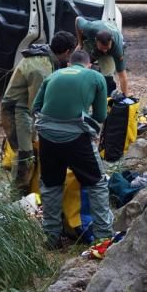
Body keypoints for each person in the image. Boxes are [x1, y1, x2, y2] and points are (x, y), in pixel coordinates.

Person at [33, 49, 112, 248]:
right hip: (76, 138)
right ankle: (103, 237)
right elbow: (101, 115)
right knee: (96, 184)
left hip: (47, 138)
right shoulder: (95, 76)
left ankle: (51, 238)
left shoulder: (53, 75)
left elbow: (35, 108)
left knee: (51, 186)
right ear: (89, 64)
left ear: (69, 63)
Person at [1, 31, 76, 195]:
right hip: (16, 111)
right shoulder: (41, 70)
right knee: (25, 156)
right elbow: (38, 106)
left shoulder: (47, 58)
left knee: (30, 150)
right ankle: (16, 196)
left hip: (23, 108)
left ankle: (26, 189)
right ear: (67, 52)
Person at [75, 16, 128, 95]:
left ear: (111, 41)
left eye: (107, 48)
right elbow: (77, 19)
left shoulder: (117, 49)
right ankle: (79, 90)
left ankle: (106, 96)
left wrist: (126, 96)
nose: (104, 51)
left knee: (107, 75)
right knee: (79, 64)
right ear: (96, 41)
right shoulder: (89, 29)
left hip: (111, 50)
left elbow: (122, 75)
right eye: (102, 48)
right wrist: (80, 43)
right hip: (91, 42)